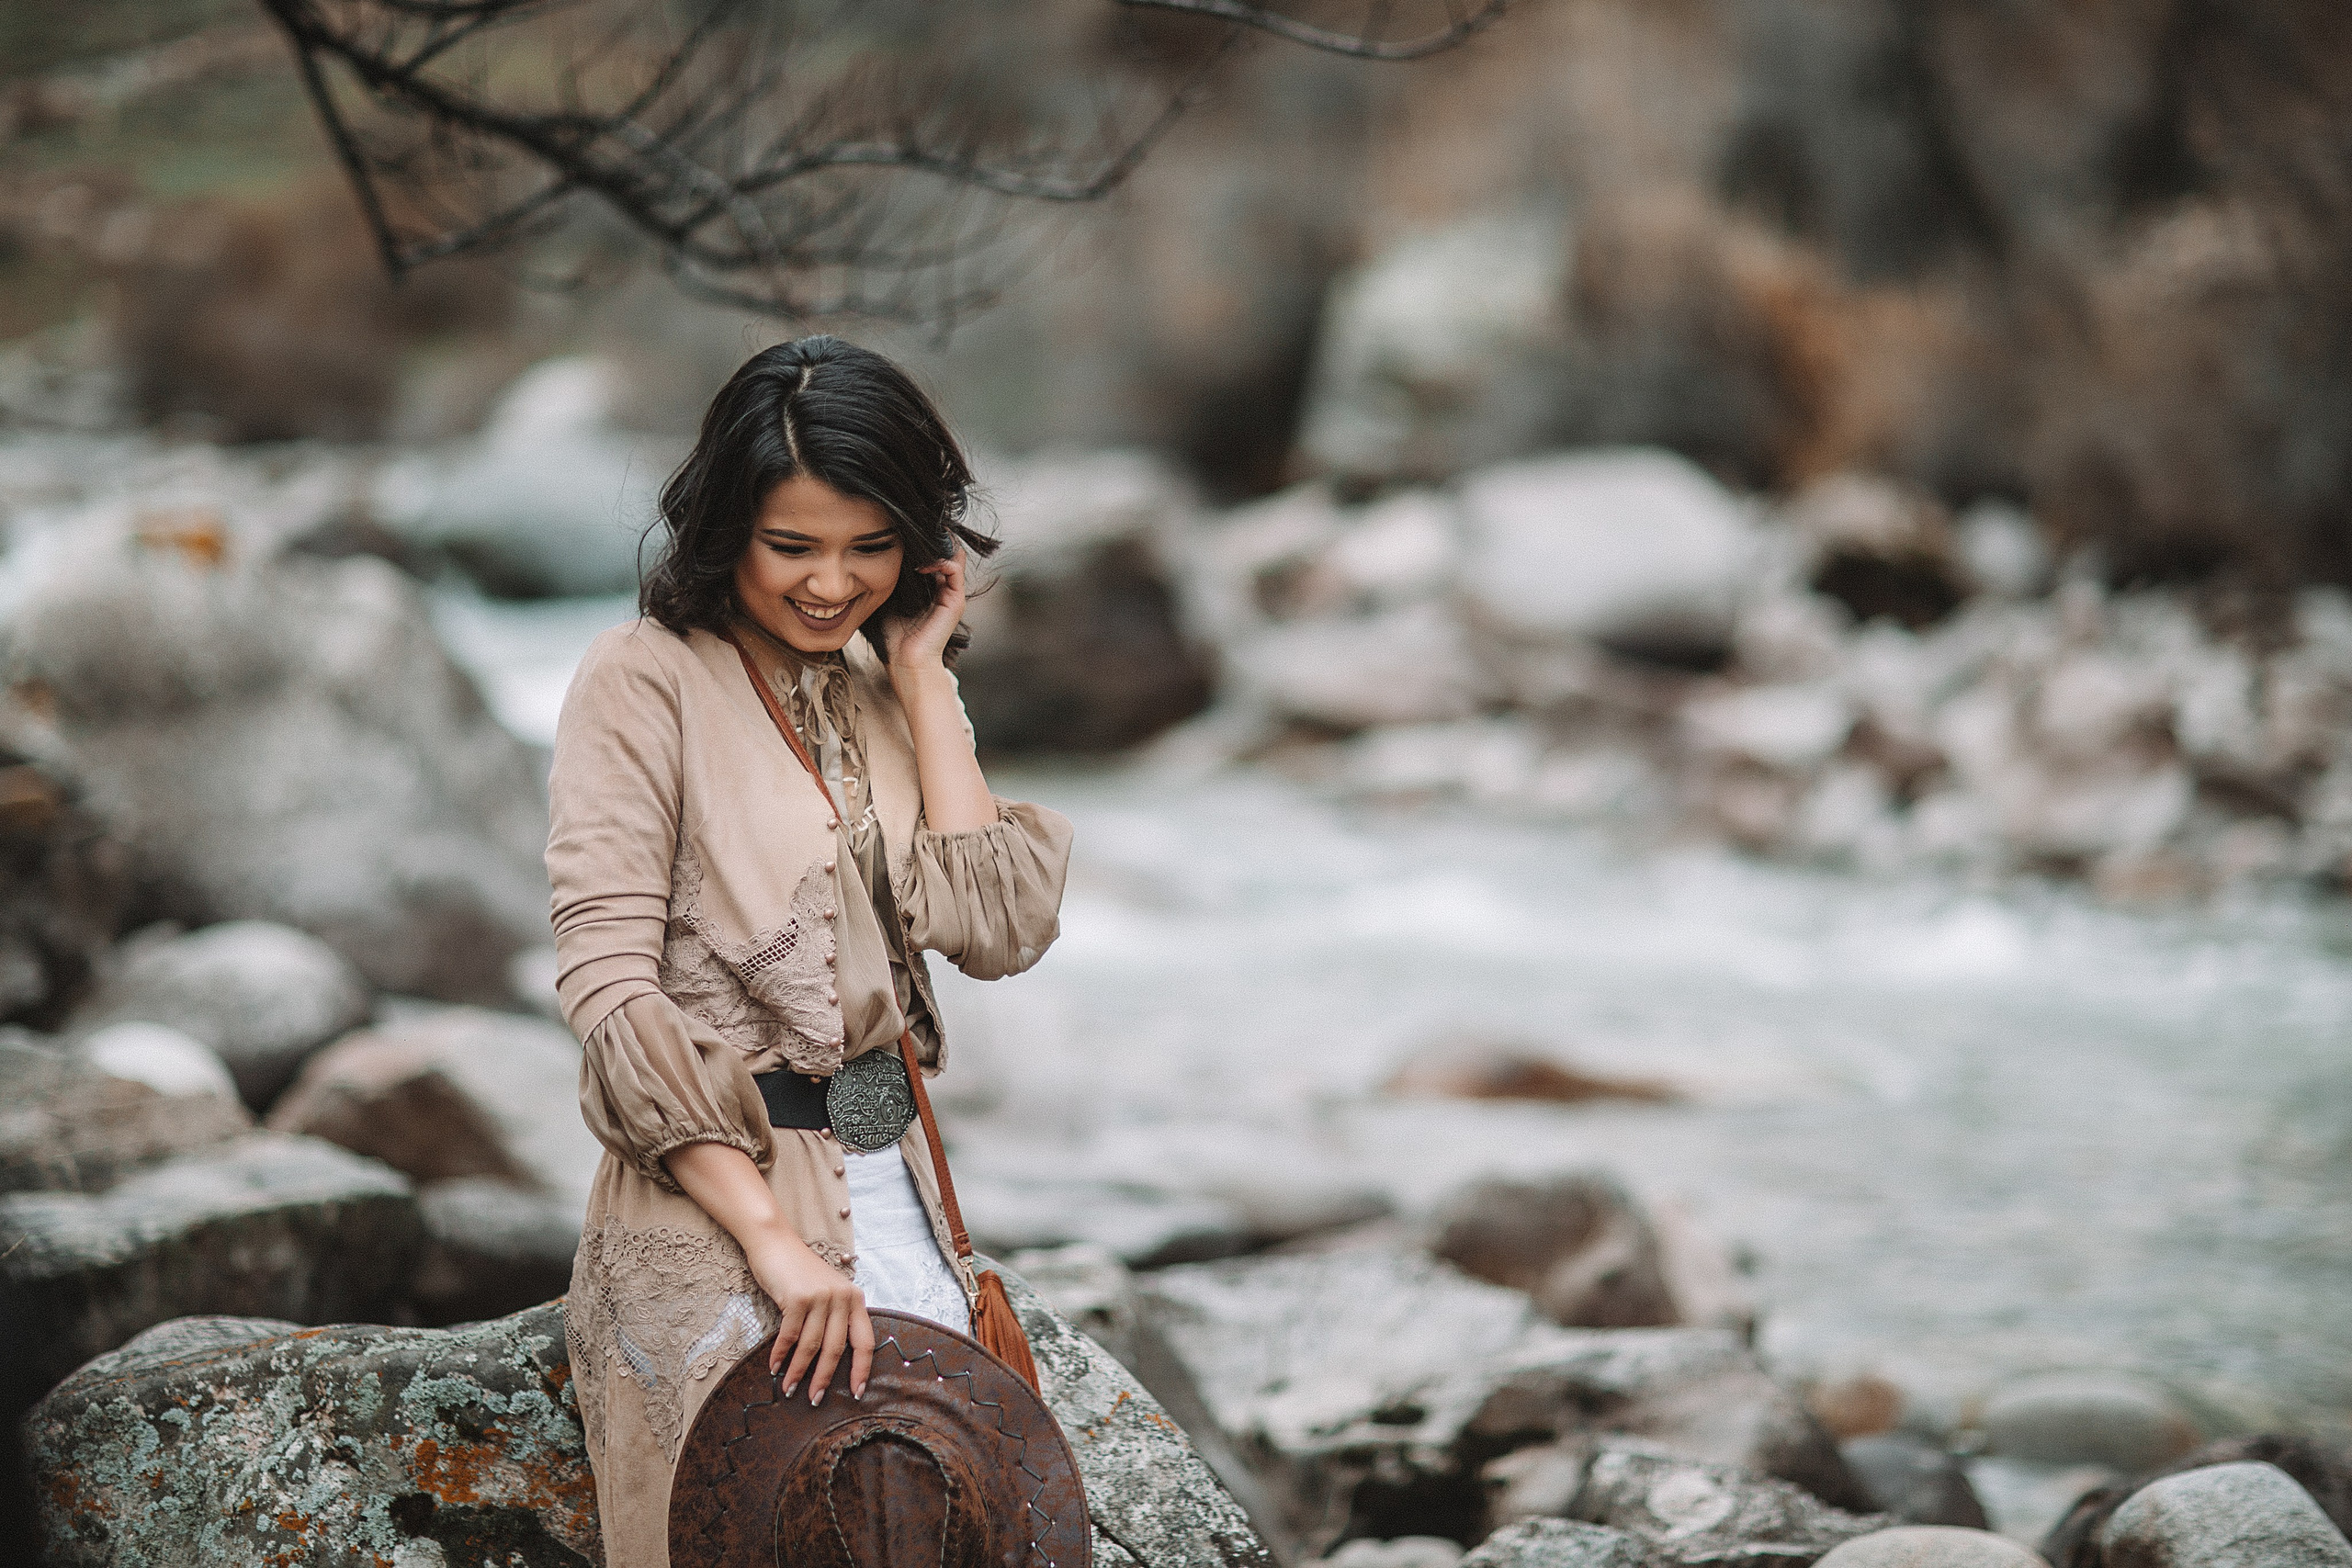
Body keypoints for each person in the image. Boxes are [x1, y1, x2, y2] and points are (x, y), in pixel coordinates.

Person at [546, 335, 1072, 1568]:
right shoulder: (641, 680)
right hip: (713, 1211)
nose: (831, 582)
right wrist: (773, 1247)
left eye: (869, 545)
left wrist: (925, 675)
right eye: (794, 546)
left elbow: (994, 930)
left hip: (903, 1193)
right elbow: (609, 984)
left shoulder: (884, 689)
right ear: (726, 528)